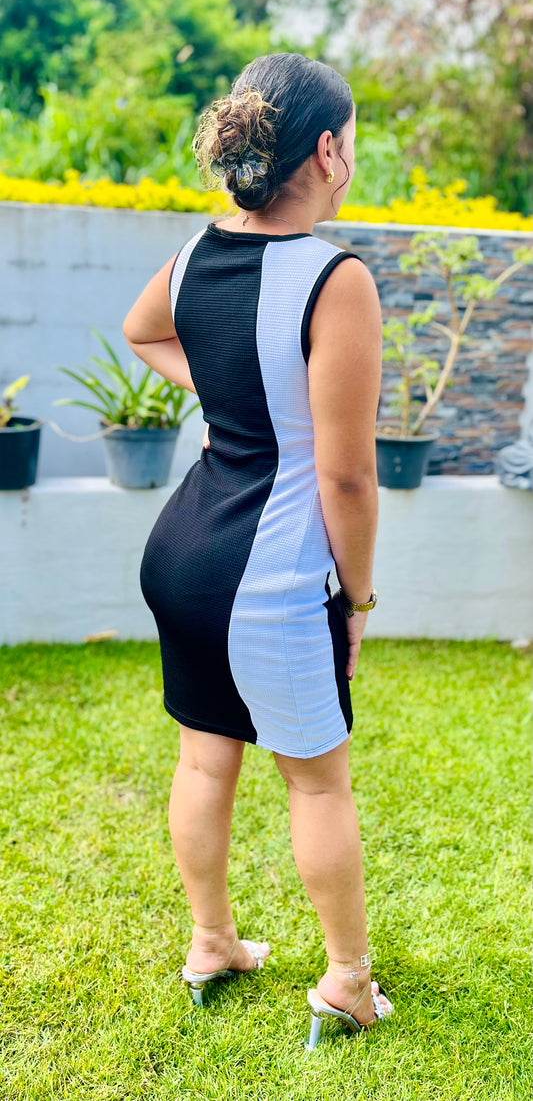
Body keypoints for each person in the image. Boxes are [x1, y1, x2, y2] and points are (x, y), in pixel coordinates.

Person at [122, 51, 393, 1047]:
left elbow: (142, 330)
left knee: (205, 759)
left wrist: (240, 390)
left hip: (181, 554)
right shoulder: (336, 277)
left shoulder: (195, 254)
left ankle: (212, 944)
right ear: (324, 151)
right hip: (264, 576)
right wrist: (355, 602)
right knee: (315, 780)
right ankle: (346, 982)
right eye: (350, 141)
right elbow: (346, 480)